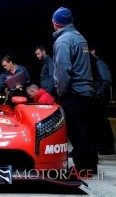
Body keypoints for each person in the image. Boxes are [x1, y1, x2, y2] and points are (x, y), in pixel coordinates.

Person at [52, 7, 98, 173]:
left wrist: (61, 92)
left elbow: (63, 70)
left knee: (77, 133)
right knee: (86, 131)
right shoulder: (80, 37)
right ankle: (90, 166)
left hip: (73, 94)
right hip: (86, 92)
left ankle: (84, 168)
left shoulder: (63, 40)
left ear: (55, 23)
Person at [90, 49, 114, 155]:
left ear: (94, 51)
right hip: (97, 97)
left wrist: (98, 93)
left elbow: (107, 80)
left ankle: (108, 147)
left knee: (103, 122)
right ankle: (101, 146)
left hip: (101, 98)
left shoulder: (100, 64)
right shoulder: (95, 64)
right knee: (98, 122)